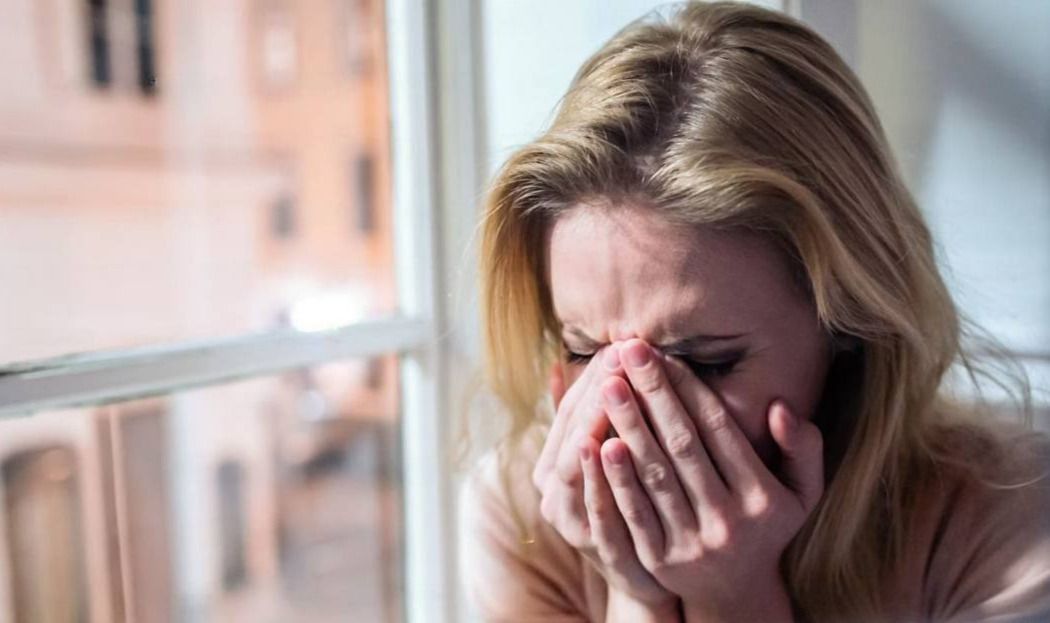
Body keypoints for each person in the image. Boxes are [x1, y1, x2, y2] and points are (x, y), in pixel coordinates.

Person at [462, 2, 1050, 621]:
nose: (625, 410)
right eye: (583, 348)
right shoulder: (522, 511)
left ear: (851, 324)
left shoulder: (1004, 521)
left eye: (705, 361)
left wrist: (732, 597)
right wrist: (635, 594)